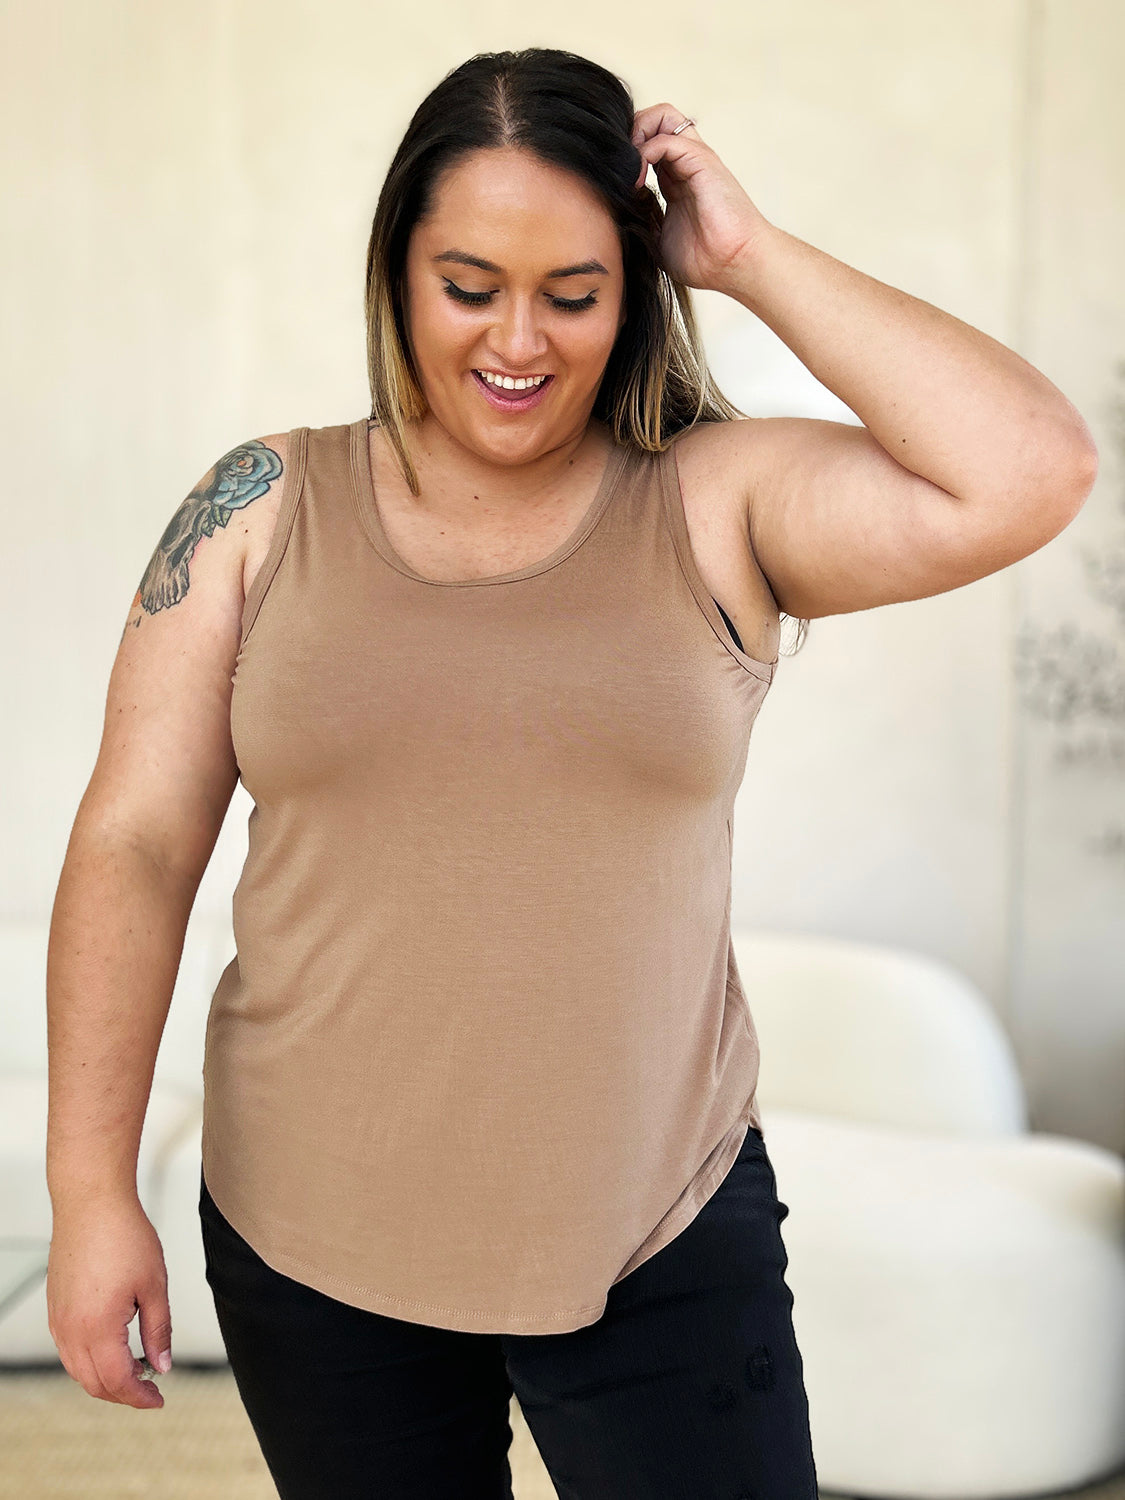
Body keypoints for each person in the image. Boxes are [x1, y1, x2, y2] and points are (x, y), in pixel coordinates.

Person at [45, 44, 1096, 1500]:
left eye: (575, 291)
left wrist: (748, 253)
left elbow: (1027, 470)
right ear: (397, 273)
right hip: (313, 1230)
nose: (517, 342)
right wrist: (90, 1196)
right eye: (468, 286)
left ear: (639, 280)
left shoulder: (716, 498)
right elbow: (136, 845)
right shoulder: (261, 508)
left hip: (655, 1229)